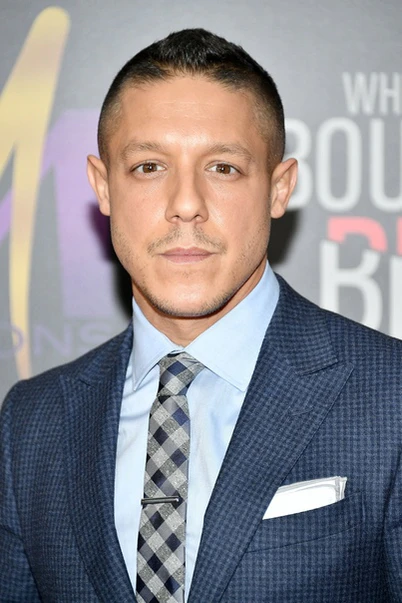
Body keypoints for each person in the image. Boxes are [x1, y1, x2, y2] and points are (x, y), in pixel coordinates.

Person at [1, 28, 401, 603]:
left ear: (279, 188)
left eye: (223, 168)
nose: (185, 204)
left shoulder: (391, 395)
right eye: (148, 167)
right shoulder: (30, 424)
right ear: (102, 186)